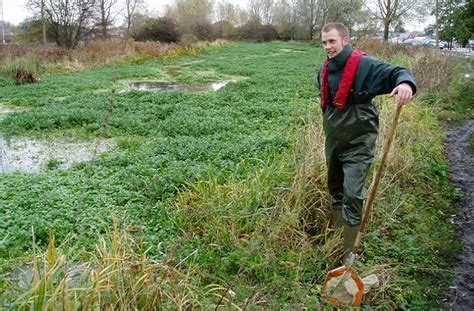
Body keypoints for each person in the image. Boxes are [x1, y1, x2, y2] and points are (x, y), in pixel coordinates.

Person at [316, 22, 416, 263]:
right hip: (334, 139)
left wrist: (405, 84)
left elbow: (398, 72)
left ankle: (348, 254)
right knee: (336, 189)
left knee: (352, 193)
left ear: (345, 40)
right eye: (324, 42)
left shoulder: (365, 66)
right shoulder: (324, 70)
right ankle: (340, 235)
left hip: (359, 143)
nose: (327, 47)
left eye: (332, 41)